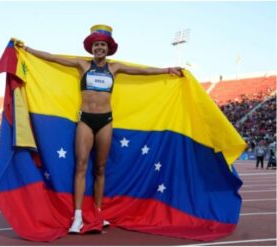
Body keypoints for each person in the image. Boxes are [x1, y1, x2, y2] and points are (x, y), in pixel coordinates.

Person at [16, 24, 183, 233]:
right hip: (86, 120)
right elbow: (52, 57)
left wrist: (166, 70)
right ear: (91, 48)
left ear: (108, 47)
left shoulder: (115, 68)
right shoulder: (82, 65)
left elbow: (142, 71)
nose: (99, 48)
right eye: (96, 45)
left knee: (100, 169)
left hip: (106, 121)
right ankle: (77, 217)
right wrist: (28, 50)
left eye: (103, 45)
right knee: (81, 165)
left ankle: (97, 212)